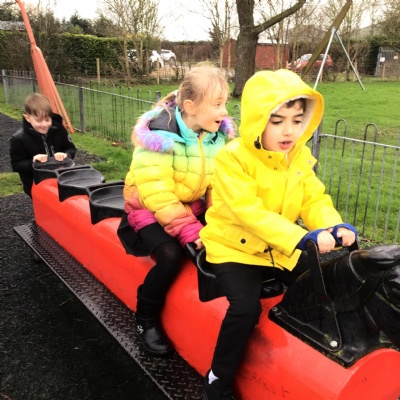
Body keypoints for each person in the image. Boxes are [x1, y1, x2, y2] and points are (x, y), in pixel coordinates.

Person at [199, 69, 357, 400]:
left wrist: (333, 226)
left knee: (326, 283)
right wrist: (300, 238)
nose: (289, 130)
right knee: (245, 309)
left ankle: (321, 353)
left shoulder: (297, 157)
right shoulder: (232, 159)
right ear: (258, 120)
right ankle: (217, 377)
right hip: (235, 248)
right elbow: (249, 212)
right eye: (277, 121)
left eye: (297, 121)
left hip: (278, 247)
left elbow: (314, 199)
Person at [119, 67, 235, 356]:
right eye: (217, 104)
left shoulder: (215, 137)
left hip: (189, 204)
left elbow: (217, 184)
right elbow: (157, 192)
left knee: (229, 236)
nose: (225, 111)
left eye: (225, 103)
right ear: (191, 107)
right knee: (170, 256)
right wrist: (190, 231)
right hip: (147, 205)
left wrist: (220, 218)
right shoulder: (159, 138)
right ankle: (145, 317)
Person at [9, 92, 76, 198]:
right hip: (36, 185)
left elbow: (71, 148)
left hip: (61, 181)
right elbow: (16, 165)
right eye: (38, 121)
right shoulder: (19, 139)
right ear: (27, 118)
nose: (44, 124)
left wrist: (66, 155)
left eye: (47, 119)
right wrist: (33, 161)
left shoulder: (59, 129)